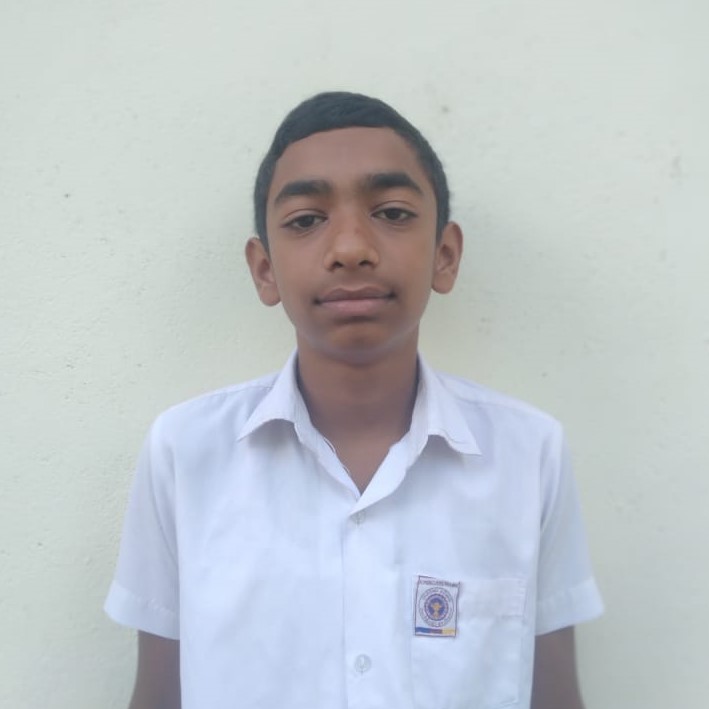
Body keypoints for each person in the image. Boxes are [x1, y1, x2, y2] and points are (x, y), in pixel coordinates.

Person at [105, 91, 603, 709]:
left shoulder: (529, 454)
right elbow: (158, 695)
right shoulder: (185, 452)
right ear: (264, 270)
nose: (350, 248)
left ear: (445, 256)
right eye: (305, 220)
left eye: (392, 212)